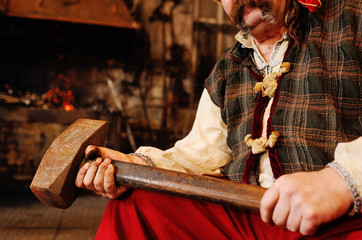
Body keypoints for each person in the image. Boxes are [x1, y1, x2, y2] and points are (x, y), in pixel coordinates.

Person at [76, 0, 362, 238]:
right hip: (245, 219)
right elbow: (200, 151)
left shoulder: (352, 19)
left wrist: (340, 180)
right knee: (134, 205)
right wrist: (137, 166)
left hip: (341, 221)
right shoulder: (226, 68)